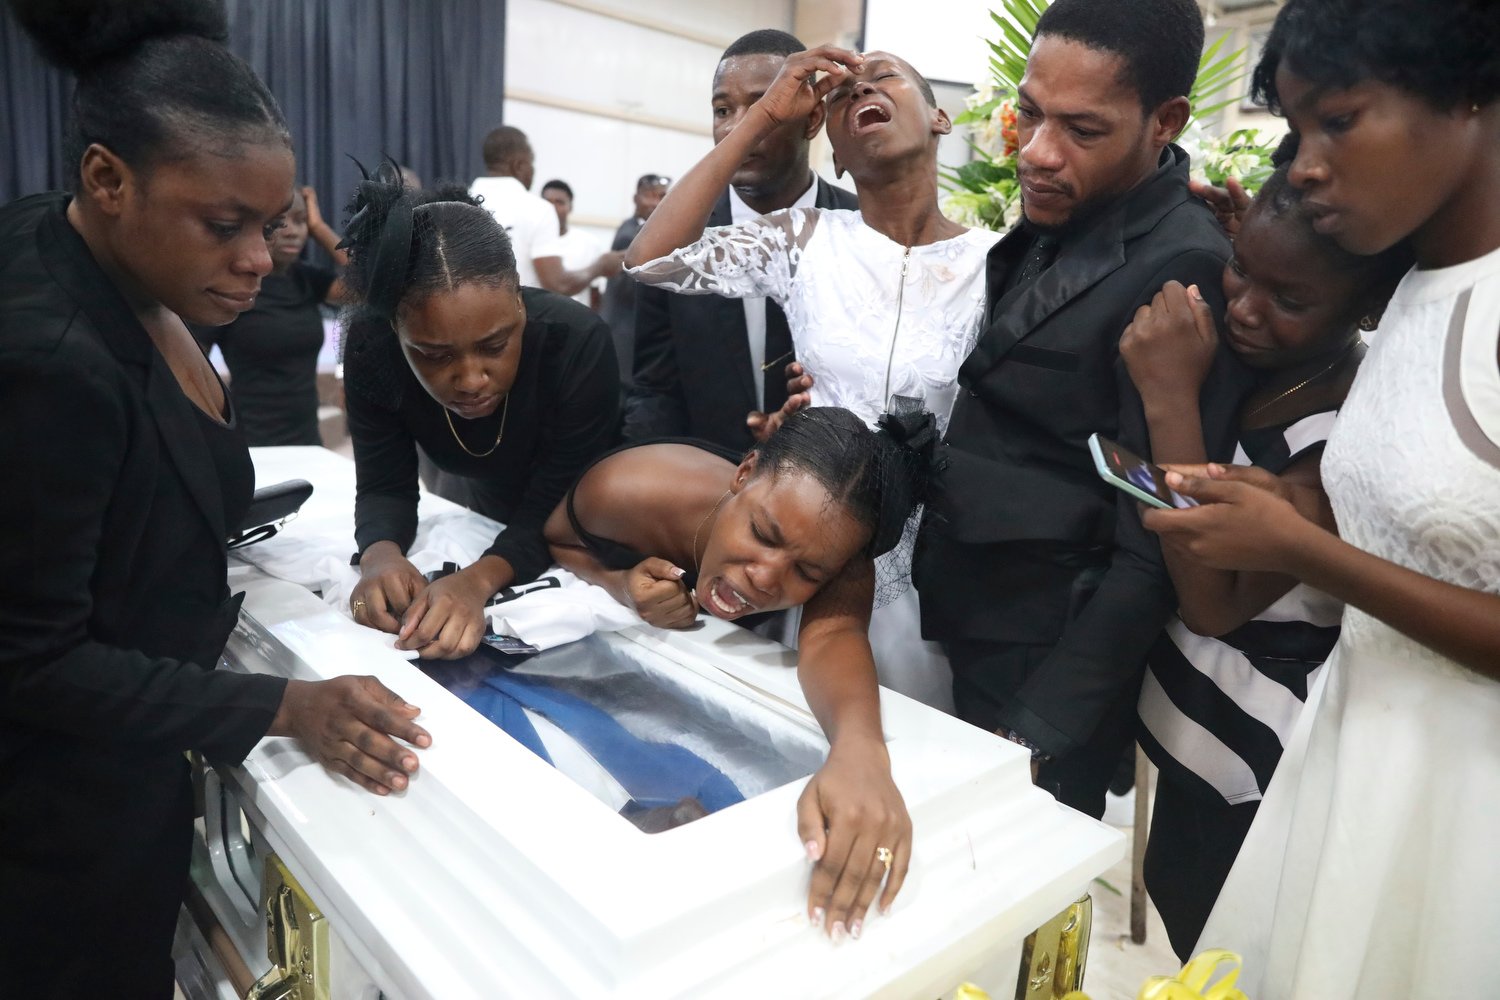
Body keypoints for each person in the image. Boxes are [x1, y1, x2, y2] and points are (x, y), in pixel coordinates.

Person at [0, 3, 431, 996]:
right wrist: (285, 704)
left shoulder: (111, 262)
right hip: (54, 822)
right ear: (108, 180)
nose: (258, 260)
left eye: (272, 225)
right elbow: (33, 661)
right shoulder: (48, 360)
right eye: (223, 226)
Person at [1139, 2, 1500, 995]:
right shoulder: (1416, 290)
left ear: (1470, 91)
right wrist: (1288, 506)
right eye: (1296, 132)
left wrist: (1307, 552)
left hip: (1466, 796)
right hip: (1354, 756)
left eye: (1339, 120)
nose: (1302, 163)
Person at [911, 0, 1251, 816]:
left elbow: (1155, 535)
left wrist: (1041, 726)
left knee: (1023, 906)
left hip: (1048, 659)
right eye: (1027, 114)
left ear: (1164, 121)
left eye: (1082, 130)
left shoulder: (1182, 272)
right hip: (978, 615)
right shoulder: (1070, 215)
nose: (1037, 152)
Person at [623, 46, 1001, 712]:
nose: (860, 93)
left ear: (941, 118)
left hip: (942, 563)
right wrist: (764, 115)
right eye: (841, 95)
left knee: (926, 744)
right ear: (827, 142)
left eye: (882, 78)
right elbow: (650, 263)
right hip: (813, 550)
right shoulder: (807, 237)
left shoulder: (997, 261)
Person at [1118, 162, 1410, 958]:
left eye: (1288, 300)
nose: (1243, 308)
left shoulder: (1336, 439)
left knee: (1216, 939)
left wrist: (1171, 398)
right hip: (1195, 737)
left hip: (1253, 762)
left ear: (1371, 306)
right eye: (1240, 267)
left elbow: (1215, 601)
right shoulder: (1281, 366)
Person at [544, 405, 935, 941]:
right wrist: (619, 581)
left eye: (806, 572)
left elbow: (833, 636)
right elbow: (558, 539)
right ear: (745, 473)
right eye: (763, 533)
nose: (764, 577)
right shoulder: (629, 487)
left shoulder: (841, 545)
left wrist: (860, 748)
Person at [341, 169, 619, 660]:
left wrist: (477, 582)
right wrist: (379, 555)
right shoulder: (371, 346)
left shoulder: (576, 342)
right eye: (434, 354)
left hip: (585, 516)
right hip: (486, 509)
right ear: (395, 330)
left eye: (495, 346)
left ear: (519, 300)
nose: (470, 379)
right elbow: (385, 482)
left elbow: (556, 508)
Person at [624, 29, 859, 453]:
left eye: (764, 106)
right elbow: (654, 390)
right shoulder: (674, 238)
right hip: (706, 485)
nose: (738, 128)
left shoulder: (859, 225)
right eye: (722, 110)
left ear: (811, 118)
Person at [194, 183, 348, 445]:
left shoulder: (307, 280)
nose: (292, 232)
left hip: (307, 443)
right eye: (279, 222)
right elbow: (191, 373)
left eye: (301, 222)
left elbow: (372, 285)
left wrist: (320, 227)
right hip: (250, 446)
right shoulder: (231, 284)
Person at [469, 124, 619, 296]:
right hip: (516, 318)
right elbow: (558, 285)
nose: (533, 170)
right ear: (519, 165)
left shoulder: (457, 200)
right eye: (531, 162)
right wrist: (601, 265)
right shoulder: (537, 209)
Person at [601, 172, 670, 380]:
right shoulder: (631, 233)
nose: (656, 202)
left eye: (662, 196)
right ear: (635, 199)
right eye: (650, 195)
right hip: (624, 332)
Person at [540, 178, 605, 311]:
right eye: (547, 202)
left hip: (577, 326)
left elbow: (596, 294)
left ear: (570, 207)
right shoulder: (528, 240)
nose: (552, 208)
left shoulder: (589, 243)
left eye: (560, 202)